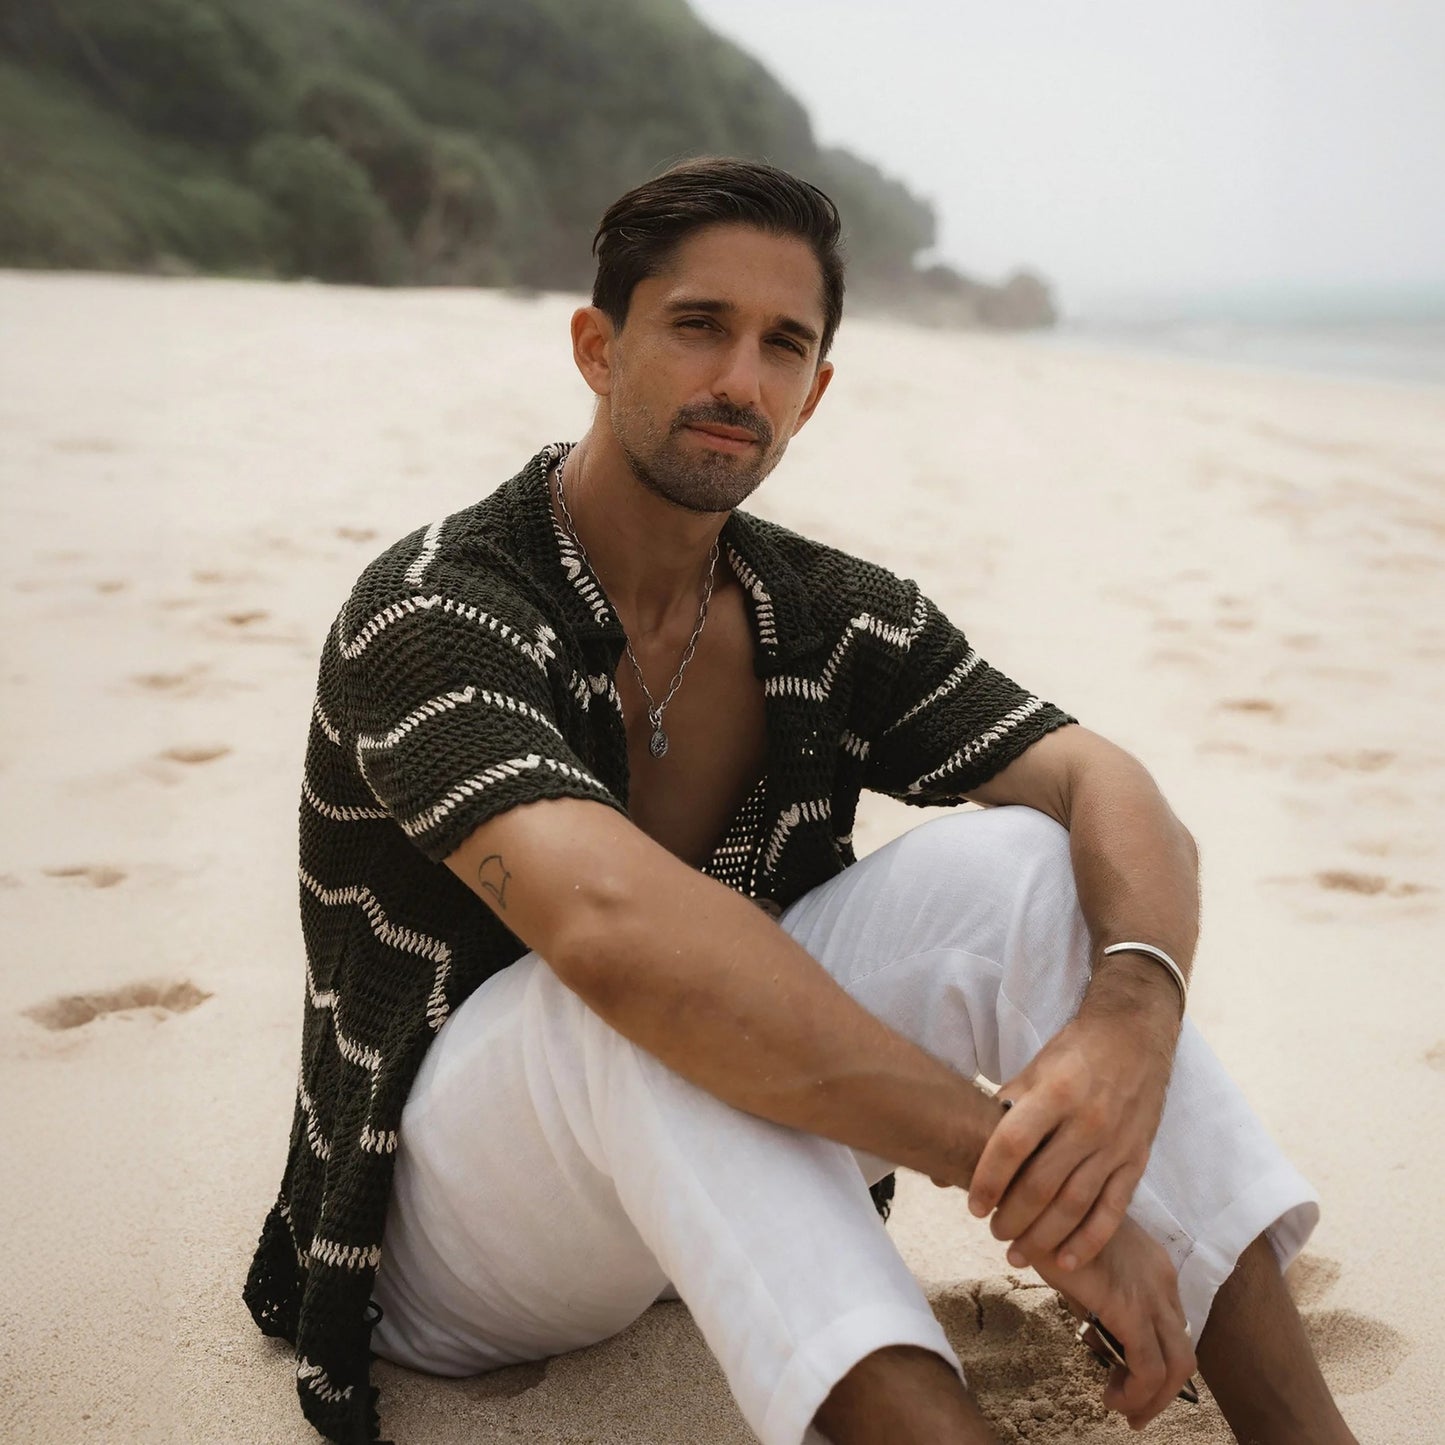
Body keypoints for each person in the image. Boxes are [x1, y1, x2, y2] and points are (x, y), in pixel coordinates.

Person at [245, 157, 1358, 1445]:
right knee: (624, 997)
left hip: (711, 1189)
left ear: (815, 392)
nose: (740, 381)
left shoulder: (822, 613)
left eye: (784, 346)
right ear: (598, 349)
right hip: (448, 1245)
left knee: (1020, 867)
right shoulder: (440, 610)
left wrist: (1132, 1018)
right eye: (699, 326)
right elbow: (611, 933)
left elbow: (1101, 780)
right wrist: (1000, 1154)